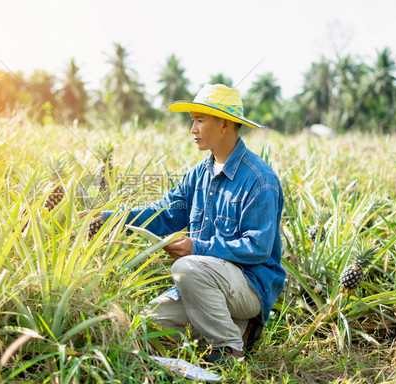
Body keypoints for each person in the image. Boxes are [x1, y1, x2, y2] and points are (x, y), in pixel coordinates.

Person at [85, 84, 285, 365]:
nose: (193, 129)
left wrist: (196, 246)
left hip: (249, 286)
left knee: (186, 267)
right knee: (146, 326)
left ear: (225, 124)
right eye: (193, 120)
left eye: (200, 120)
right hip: (206, 281)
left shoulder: (259, 180)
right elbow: (162, 213)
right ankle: (233, 329)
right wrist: (109, 219)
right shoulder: (197, 175)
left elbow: (258, 247)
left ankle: (228, 349)